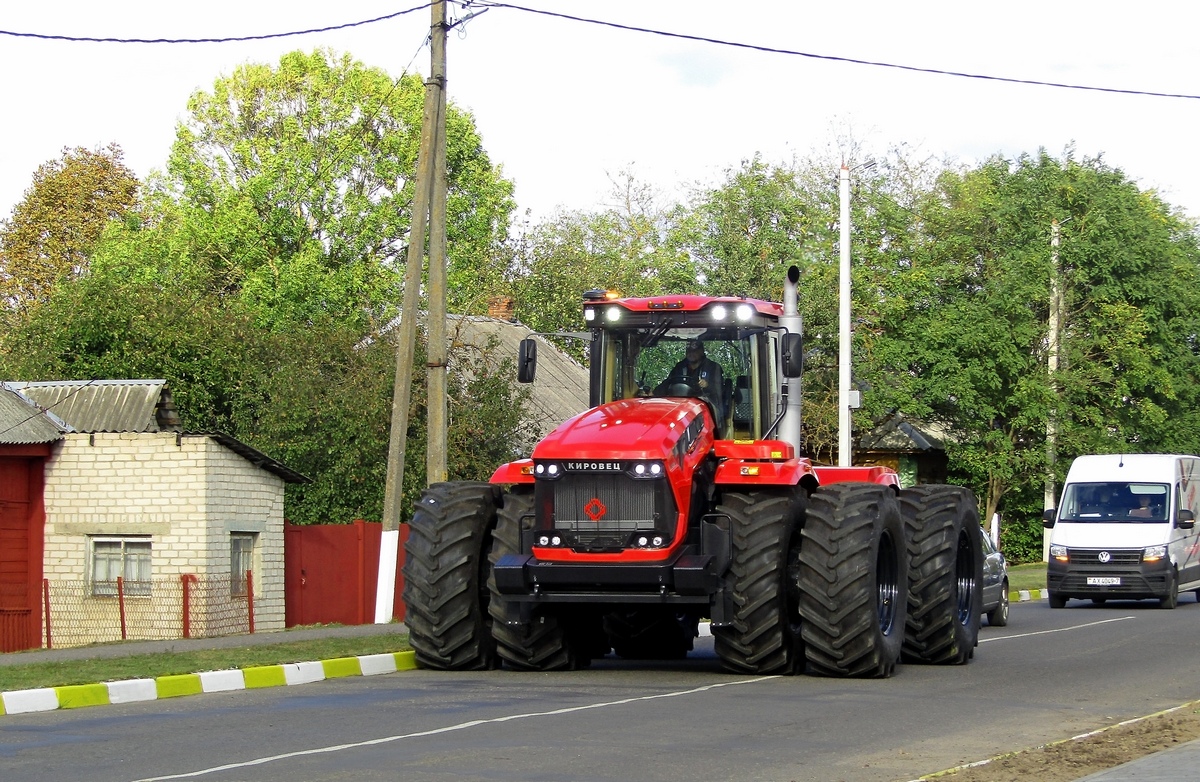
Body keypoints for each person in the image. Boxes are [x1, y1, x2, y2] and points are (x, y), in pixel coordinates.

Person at [655, 339, 725, 423]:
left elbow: (720, 390)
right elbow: (669, 382)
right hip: (680, 404)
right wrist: (653, 394)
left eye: (694, 351)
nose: (691, 353)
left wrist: (707, 385)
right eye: (689, 351)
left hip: (706, 404)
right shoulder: (680, 367)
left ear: (702, 351)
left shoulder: (713, 367)